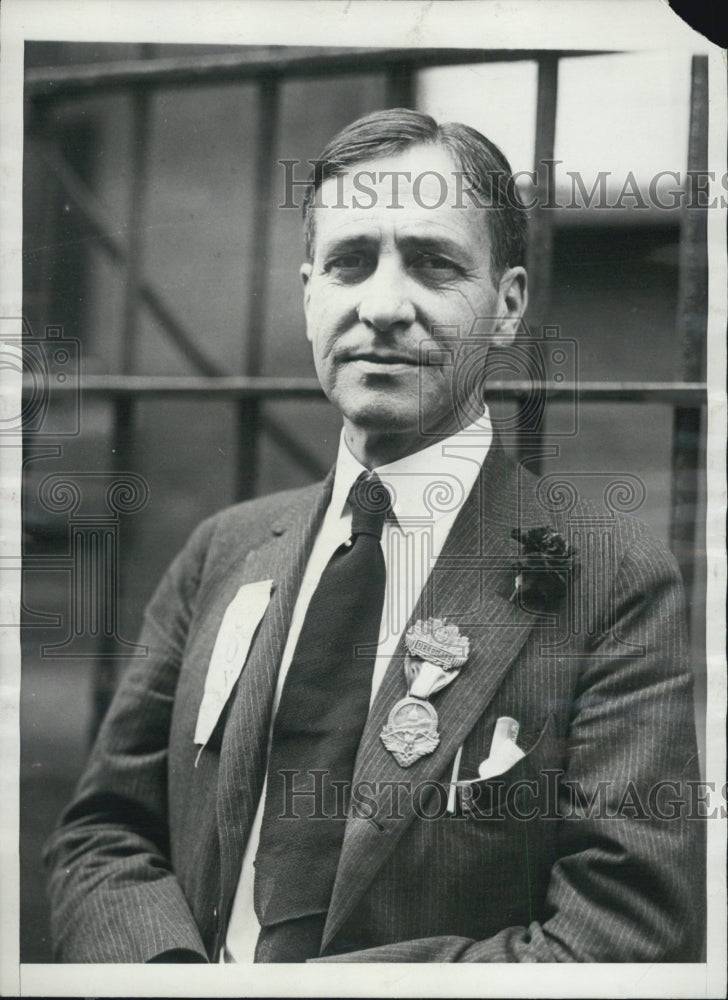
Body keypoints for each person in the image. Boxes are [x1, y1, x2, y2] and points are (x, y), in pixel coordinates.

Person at [44, 108, 705, 963]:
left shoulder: (613, 582)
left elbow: (621, 933)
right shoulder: (224, 549)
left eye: (433, 264)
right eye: (351, 263)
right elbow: (102, 833)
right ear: (310, 293)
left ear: (506, 309)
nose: (384, 307)